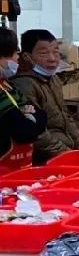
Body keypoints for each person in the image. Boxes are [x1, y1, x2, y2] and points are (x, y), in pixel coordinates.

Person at [14, 29, 79, 164]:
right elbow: (37, 134)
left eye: (56, 52)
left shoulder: (54, 79)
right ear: (27, 56)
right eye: (44, 53)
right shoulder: (24, 84)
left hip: (65, 149)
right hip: (43, 158)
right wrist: (67, 156)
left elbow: (67, 118)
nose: (52, 59)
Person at [0, 29, 47, 171]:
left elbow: (42, 116)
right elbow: (24, 132)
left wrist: (28, 118)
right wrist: (27, 116)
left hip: (19, 168)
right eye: (15, 53)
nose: (17, 58)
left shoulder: (8, 85)